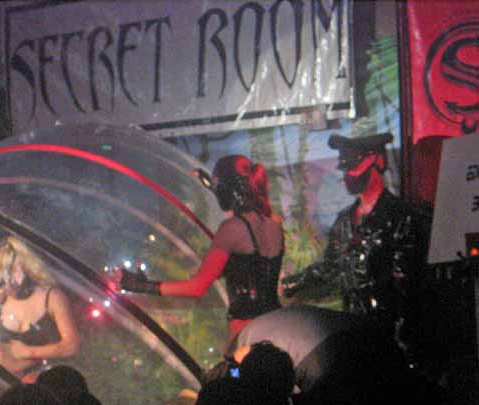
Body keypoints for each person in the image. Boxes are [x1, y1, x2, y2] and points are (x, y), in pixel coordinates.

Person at [281, 132, 428, 358]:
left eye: (352, 167)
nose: (347, 175)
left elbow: (408, 288)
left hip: (393, 338)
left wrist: (404, 346)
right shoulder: (344, 222)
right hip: (355, 333)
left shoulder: (401, 217)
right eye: (345, 169)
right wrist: (290, 285)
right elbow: (329, 269)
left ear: (377, 161)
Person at [112, 154, 284, 346]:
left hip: (247, 334)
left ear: (227, 188)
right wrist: (215, 187)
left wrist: (142, 286)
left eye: (217, 185)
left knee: (235, 367)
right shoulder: (274, 223)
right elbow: (253, 263)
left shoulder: (231, 229)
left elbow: (197, 287)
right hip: (277, 325)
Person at [0, 236, 79, 398]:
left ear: (17, 272)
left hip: (37, 390)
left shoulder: (52, 298)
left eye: (1, 283)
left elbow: (71, 345)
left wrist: (29, 352)